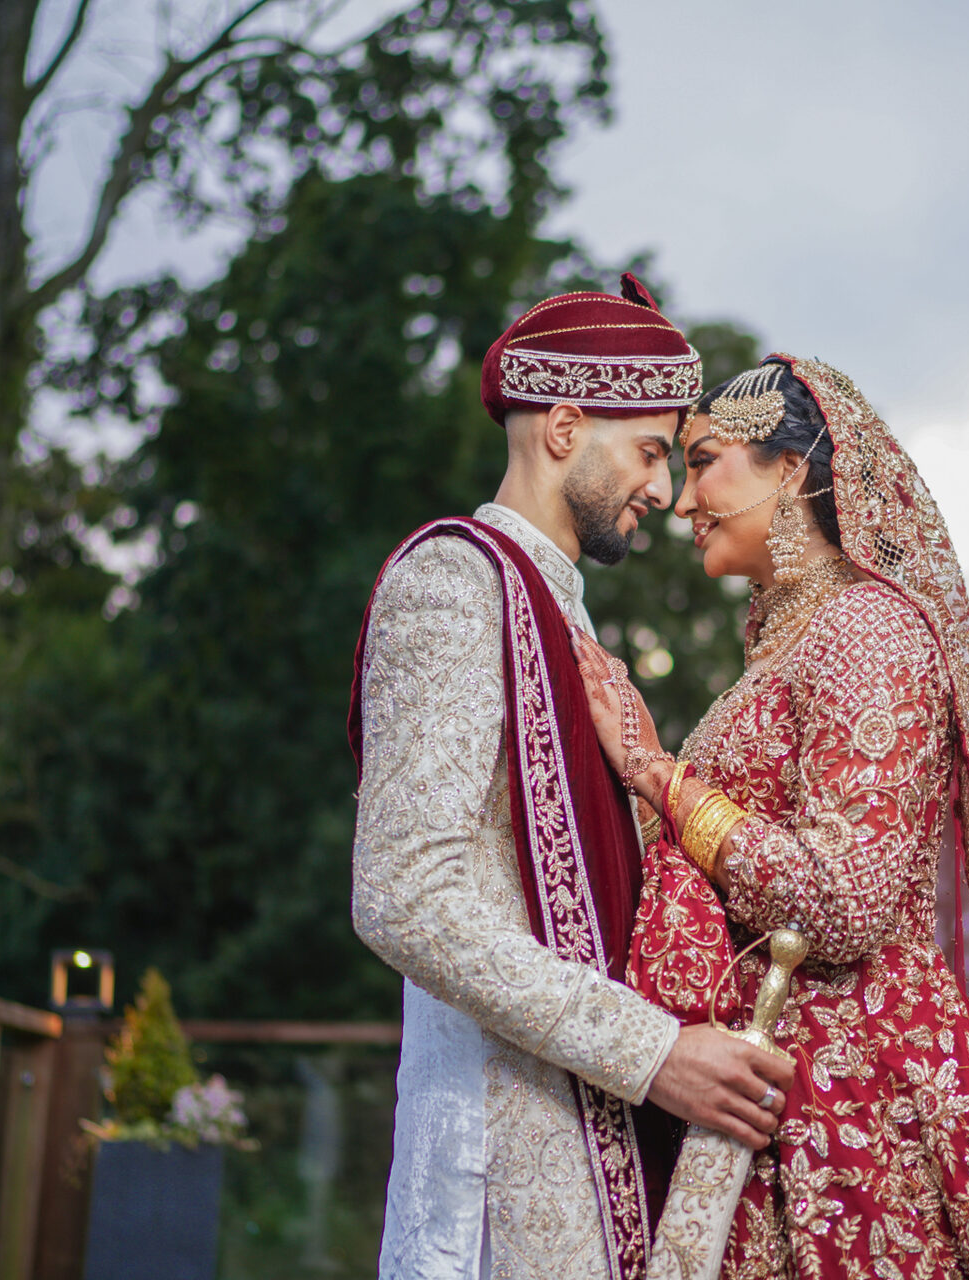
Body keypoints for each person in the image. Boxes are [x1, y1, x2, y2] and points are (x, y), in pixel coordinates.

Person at [573, 356, 969, 1279]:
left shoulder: (869, 629)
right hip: (775, 1074)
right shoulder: (789, 648)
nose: (682, 503)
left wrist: (655, 774)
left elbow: (845, 899)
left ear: (791, 470)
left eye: (706, 460)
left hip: (861, 1091)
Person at [346, 279, 796, 1280]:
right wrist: (656, 1051)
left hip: (591, 1142)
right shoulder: (454, 583)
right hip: (500, 1163)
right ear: (562, 427)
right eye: (647, 451)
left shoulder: (564, 615)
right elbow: (402, 893)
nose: (665, 490)